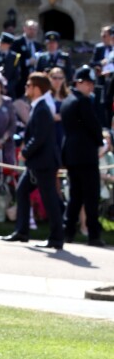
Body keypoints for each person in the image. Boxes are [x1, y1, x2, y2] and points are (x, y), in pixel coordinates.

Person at [0, 72, 65, 249]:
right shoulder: (39, 106)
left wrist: (25, 152)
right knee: (22, 191)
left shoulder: (42, 108)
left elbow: (40, 137)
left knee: (49, 199)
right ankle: (22, 231)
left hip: (43, 163)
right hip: (38, 163)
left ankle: (56, 238)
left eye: (29, 85)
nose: (26, 88)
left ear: (37, 88)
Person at [61, 65, 106, 247]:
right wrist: (101, 142)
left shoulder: (67, 101)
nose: (90, 87)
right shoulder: (83, 101)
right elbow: (94, 126)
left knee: (75, 196)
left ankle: (68, 232)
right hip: (86, 155)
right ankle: (93, 235)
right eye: (87, 83)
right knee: (90, 196)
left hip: (72, 155)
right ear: (78, 83)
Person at [11, 19, 42, 98]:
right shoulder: (17, 43)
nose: (32, 31)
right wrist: (27, 62)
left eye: (34, 29)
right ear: (24, 28)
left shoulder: (37, 45)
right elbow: (13, 61)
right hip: (20, 80)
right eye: (30, 29)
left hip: (34, 80)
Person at [49, 66, 70, 149]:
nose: (57, 81)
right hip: (51, 130)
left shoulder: (68, 95)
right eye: (54, 78)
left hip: (65, 130)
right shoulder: (46, 96)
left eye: (60, 78)